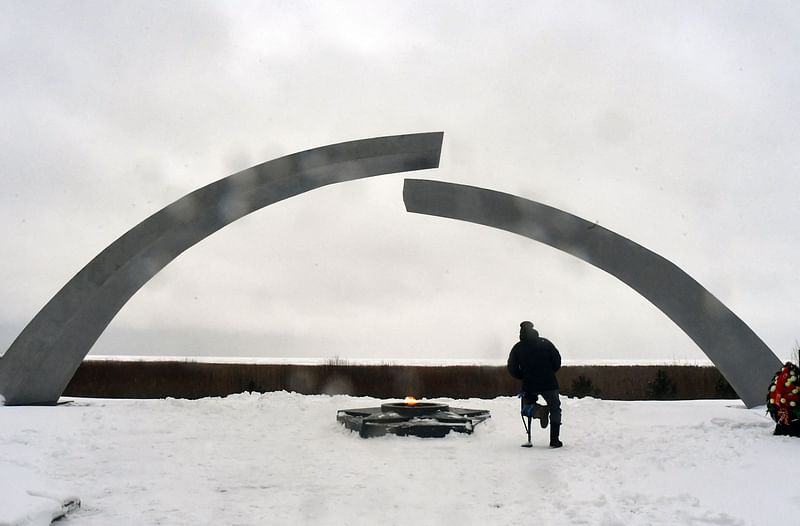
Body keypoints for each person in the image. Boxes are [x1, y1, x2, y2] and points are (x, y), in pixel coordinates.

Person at [507, 321, 563, 448]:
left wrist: (522, 376)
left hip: (529, 383)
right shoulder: (545, 343)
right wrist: (549, 372)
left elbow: (512, 368)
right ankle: (555, 440)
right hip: (549, 382)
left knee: (527, 408)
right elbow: (557, 361)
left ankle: (541, 411)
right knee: (555, 408)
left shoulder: (518, 347)